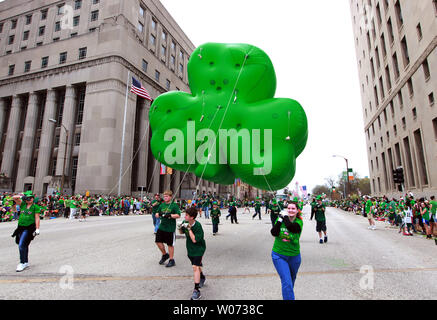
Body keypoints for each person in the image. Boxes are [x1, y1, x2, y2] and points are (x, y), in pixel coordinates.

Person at [270, 201, 303, 300]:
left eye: (293, 208)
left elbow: (292, 228)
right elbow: (274, 233)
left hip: (294, 256)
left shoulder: (299, 222)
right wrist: (279, 220)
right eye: (289, 208)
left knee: (291, 281)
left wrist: (284, 218)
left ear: (297, 210)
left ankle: (287, 296)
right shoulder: (280, 220)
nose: (291, 210)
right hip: (279, 255)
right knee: (287, 282)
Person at [178, 206, 207, 300]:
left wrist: (189, 229)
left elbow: (194, 240)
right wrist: (180, 227)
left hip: (199, 248)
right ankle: (202, 276)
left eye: (187, 215)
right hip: (190, 249)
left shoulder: (198, 226)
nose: (185, 216)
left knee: (195, 267)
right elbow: (181, 232)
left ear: (192, 217)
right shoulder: (185, 222)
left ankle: (196, 290)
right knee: (197, 267)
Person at [11, 191, 41, 272]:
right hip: (20, 227)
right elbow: (14, 198)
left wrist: (37, 228)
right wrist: (22, 196)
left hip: (29, 228)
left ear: (33, 199)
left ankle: (22, 263)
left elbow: (37, 218)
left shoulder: (35, 207)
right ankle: (26, 261)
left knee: (21, 244)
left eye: (30, 198)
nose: (29, 199)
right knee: (24, 245)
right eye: (27, 198)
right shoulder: (23, 204)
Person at [155, 190, 181, 267]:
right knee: (158, 241)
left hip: (170, 228)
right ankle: (164, 254)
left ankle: (171, 260)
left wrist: (170, 215)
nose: (165, 198)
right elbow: (156, 213)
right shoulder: (162, 205)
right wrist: (159, 214)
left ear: (170, 197)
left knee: (170, 244)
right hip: (162, 226)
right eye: (164, 196)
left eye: (167, 196)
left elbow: (178, 215)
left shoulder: (174, 205)